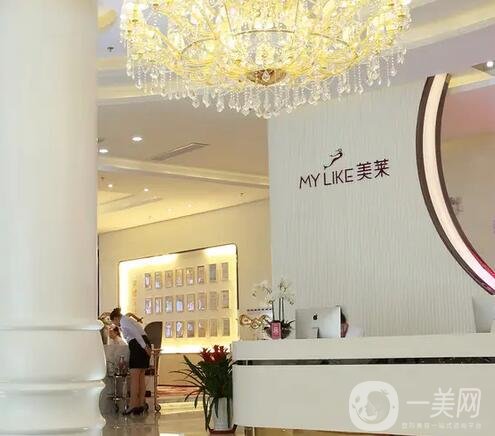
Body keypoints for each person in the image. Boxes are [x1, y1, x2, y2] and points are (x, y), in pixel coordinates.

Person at [110, 308, 151, 415]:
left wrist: (144, 347)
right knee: (141, 376)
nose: (115, 325)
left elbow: (136, 334)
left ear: (116, 318)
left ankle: (133, 404)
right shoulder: (128, 320)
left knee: (134, 377)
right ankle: (141, 403)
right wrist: (145, 346)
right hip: (143, 343)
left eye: (114, 322)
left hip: (138, 345)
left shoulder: (124, 321)